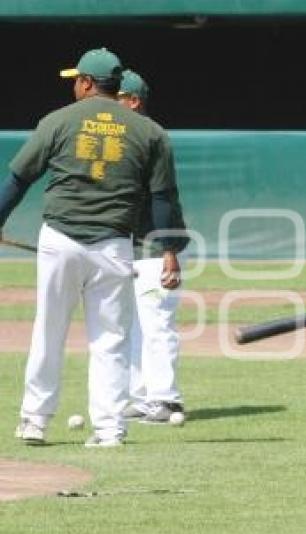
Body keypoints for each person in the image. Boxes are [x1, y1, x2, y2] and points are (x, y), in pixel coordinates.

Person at [0, 47, 185, 447]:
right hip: (114, 245)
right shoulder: (149, 131)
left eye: (76, 80)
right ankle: (109, 429)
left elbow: (18, 178)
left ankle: (34, 420)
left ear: (86, 83)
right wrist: (170, 250)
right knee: (111, 340)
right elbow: (163, 199)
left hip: (61, 240)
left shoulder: (59, 120)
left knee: (49, 330)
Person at [117, 69, 189, 425]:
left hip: (156, 248)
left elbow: (163, 201)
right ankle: (142, 397)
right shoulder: (123, 142)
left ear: (133, 101)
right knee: (132, 325)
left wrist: (170, 252)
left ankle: (166, 399)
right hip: (131, 249)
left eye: (116, 99)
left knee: (157, 323)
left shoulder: (151, 140)